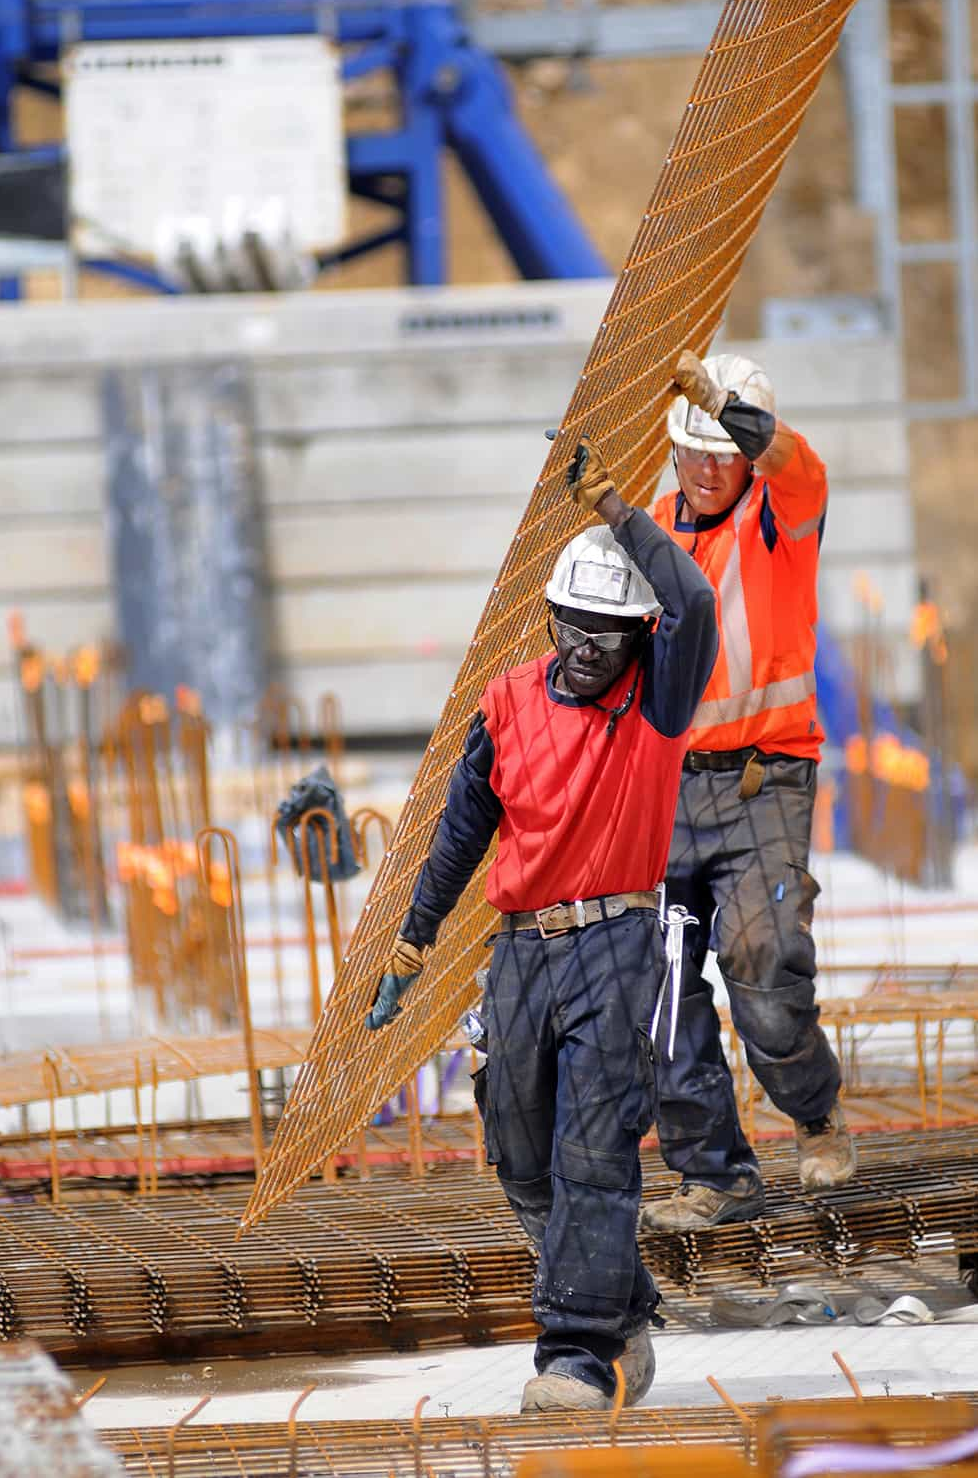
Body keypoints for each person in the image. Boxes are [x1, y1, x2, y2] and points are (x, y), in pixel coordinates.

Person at [365, 437, 717, 1413]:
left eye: (613, 629)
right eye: (576, 625)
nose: (591, 645)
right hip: (520, 948)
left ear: (640, 636)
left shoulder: (658, 696)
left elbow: (695, 602)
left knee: (593, 1149)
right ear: (551, 619)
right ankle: (621, 1304)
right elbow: (464, 823)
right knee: (519, 1149)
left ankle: (573, 1355)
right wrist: (413, 936)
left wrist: (615, 510)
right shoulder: (510, 700)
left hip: (617, 946)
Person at [641, 349, 856, 1234]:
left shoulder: (784, 510)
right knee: (657, 988)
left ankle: (815, 1115)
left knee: (762, 966)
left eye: (720, 451)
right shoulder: (651, 526)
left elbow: (789, 459)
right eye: (690, 451)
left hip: (765, 780)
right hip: (664, 794)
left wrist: (733, 416)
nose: (703, 469)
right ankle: (715, 1172)